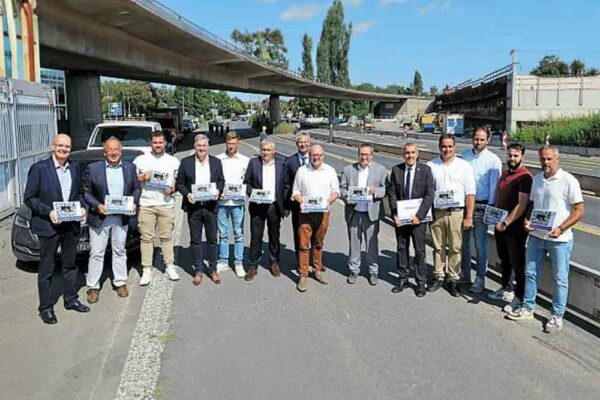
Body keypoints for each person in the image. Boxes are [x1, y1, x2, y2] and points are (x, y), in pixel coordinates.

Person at [508, 145, 584, 332]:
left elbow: (579, 210)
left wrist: (561, 228)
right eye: (543, 159)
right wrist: (526, 220)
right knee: (531, 273)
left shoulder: (568, 180)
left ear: (557, 159)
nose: (546, 162)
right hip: (536, 236)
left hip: (559, 240)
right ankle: (528, 308)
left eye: (549, 159)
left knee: (560, 279)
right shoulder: (537, 179)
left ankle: (557, 316)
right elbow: (532, 204)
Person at [23, 133, 89, 324]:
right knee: (47, 269)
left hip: (70, 226)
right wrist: (48, 212)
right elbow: (30, 198)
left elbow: (80, 193)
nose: (63, 149)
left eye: (67, 147)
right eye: (60, 145)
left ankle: (70, 300)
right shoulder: (39, 169)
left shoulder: (75, 168)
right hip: (48, 226)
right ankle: (45, 308)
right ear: (53, 146)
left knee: (69, 265)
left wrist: (83, 207)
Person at [83, 137, 141, 303]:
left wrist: (132, 202)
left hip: (121, 217)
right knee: (96, 253)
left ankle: (120, 282)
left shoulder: (130, 168)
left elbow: (136, 188)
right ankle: (93, 287)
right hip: (100, 217)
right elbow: (86, 192)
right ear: (105, 152)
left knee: (119, 250)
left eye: (116, 149)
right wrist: (97, 205)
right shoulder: (93, 168)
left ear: (120, 151)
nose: (114, 153)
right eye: (110, 149)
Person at [427, 134, 476, 296]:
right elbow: (427, 192)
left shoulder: (464, 166)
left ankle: (453, 278)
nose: (447, 149)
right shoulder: (431, 165)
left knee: (455, 247)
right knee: (438, 246)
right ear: (439, 147)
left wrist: (469, 216)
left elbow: (470, 193)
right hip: (437, 212)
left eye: (450, 146)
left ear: (455, 147)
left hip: (457, 213)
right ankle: (439, 276)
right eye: (444, 146)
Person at [488, 143, 532, 313]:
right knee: (504, 258)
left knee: (517, 262)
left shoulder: (525, 177)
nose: (512, 158)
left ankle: (520, 298)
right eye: (510, 155)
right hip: (500, 225)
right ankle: (506, 289)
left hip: (514, 228)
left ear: (522, 157)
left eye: (516, 156)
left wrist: (506, 222)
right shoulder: (505, 174)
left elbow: (522, 205)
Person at [133, 130, 181, 286]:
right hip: (146, 204)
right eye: (155, 142)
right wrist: (141, 177)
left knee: (166, 237)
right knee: (146, 238)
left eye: (160, 142)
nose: (158, 145)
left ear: (165, 143)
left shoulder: (173, 161)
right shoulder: (140, 160)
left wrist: (172, 190)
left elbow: (178, 182)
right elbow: (131, 181)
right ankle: (146, 269)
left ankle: (169, 265)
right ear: (150, 143)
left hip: (166, 204)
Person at [176, 134, 225, 286]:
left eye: (204, 146)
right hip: (194, 208)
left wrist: (218, 191)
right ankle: (198, 270)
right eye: (199, 146)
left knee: (212, 240)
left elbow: (221, 181)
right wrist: (187, 194)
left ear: (207, 146)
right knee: (195, 241)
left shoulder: (216, 162)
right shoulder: (186, 163)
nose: (201, 149)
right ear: (194, 146)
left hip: (210, 207)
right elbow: (180, 183)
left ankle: (213, 269)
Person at [387, 143, 435, 297]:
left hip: (418, 220)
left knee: (420, 251)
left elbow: (429, 195)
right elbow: (392, 193)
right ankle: (403, 278)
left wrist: (419, 216)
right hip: (401, 219)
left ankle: (421, 283)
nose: (410, 155)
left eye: (413, 152)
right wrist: (395, 213)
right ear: (403, 154)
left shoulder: (426, 170)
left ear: (417, 154)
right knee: (402, 248)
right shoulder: (397, 170)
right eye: (407, 153)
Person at [292, 144, 340, 292]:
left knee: (318, 243)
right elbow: (296, 191)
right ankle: (303, 275)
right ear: (310, 155)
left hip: (323, 213)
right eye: (313, 155)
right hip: (305, 213)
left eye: (319, 155)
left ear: (323, 156)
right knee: (304, 244)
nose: (316, 157)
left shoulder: (330, 171)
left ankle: (317, 269)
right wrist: (301, 200)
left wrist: (328, 201)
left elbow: (336, 191)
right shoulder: (302, 170)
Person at [460, 127, 502, 292]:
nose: (478, 142)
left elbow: (494, 187)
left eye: (482, 140)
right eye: (476, 139)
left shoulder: (493, 160)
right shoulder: (464, 156)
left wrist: (490, 207)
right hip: (464, 205)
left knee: (480, 245)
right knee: (464, 244)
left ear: (488, 140)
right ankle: (465, 274)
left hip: (482, 206)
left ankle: (480, 278)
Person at [340, 143, 387, 286]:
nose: (364, 157)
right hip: (354, 212)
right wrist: (347, 196)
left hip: (371, 213)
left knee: (372, 244)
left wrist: (376, 191)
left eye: (367, 154)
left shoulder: (380, 170)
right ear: (358, 154)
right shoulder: (348, 170)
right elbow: (342, 188)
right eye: (361, 154)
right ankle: (354, 269)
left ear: (372, 155)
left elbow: (385, 189)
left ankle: (373, 271)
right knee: (354, 243)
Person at [243, 140, 289, 281]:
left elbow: (287, 185)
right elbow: (247, 183)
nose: (266, 153)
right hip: (258, 206)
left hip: (274, 206)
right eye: (263, 150)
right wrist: (253, 195)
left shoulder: (282, 164)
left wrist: (283, 202)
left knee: (274, 235)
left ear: (274, 152)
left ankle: (274, 262)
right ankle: (253, 265)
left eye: (268, 150)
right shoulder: (253, 163)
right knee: (256, 236)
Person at [216, 131, 249, 278]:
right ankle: (223, 260)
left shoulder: (245, 160)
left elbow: (248, 182)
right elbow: (214, 179)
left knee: (238, 234)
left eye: (234, 143)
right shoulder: (218, 159)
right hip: (222, 202)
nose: (231, 146)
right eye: (229, 143)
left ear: (238, 143)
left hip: (238, 203)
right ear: (226, 143)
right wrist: (217, 192)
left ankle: (238, 262)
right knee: (222, 234)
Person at [285, 133, 311, 263]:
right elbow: (286, 184)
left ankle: (314, 261)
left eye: (305, 142)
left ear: (309, 143)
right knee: (298, 233)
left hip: (313, 204)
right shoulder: (289, 161)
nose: (303, 145)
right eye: (300, 142)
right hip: (296, 205)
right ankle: (300, 260)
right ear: (297, 144)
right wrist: (286, 206)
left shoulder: (315, 159)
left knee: (314, 233)